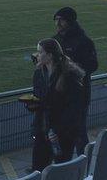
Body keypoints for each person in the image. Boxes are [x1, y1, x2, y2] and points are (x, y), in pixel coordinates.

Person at [31, 38, 88, 170]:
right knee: (37, 169)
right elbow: (39, 99)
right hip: (43, 130)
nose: (37, 55)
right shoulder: (39, 74)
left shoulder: (69, 76)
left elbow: (73, 109)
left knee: (61, 170)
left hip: (62, 134)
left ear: (50, 55)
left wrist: (57, 130)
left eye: (40, 52)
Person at [52, 7, 97, 153]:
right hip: (59, 94)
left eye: (61, 20)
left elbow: (92, 65)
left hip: (78, 95)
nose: (58, 23)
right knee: (61, 133)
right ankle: (65, 167)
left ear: (70, 21)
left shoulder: (84, 42)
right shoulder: (56, 40)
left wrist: (70, 67)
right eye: (56, 20)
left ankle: (83, 165)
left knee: (79, 133)